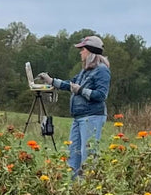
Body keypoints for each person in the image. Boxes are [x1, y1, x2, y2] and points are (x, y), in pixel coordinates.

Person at [38, 35, 111, 178]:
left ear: (90, 51)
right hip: (79, 117)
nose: (80, 52)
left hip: (92, 117)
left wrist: (81, 90)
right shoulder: (85, 71)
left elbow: (102, 95)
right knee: (73, 154)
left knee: (88, 155)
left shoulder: (102, 70)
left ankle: (88, 185)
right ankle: (73, 186)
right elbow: (70, 84)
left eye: (82, 49)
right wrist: (51, 81)